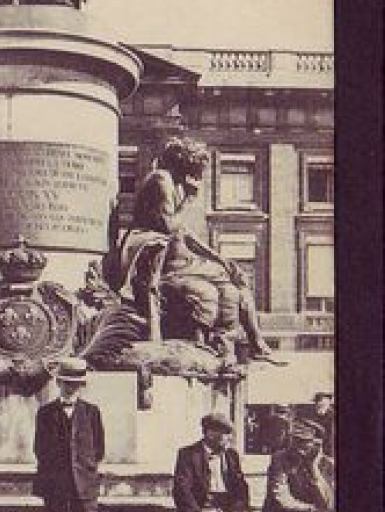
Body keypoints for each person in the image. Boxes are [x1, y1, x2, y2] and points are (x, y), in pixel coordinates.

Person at [110, 137, 284, 365]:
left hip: (184, 262)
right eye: (198, 168)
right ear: (185, 164)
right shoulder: (160, 180)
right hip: (164, 265)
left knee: (235, 287)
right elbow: (170, 227)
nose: (200, 175)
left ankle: (237, 345)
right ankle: (204, 345)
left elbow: (184, 233)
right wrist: (189, 200)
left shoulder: (175, 184)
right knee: (208, 292)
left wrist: (220, 258)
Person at [33, 357, 132, 512]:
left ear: (82, 386)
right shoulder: (45, 414)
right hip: (55, 486)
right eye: (66, 383)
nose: (71, 388)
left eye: (76, 384)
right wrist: (58, 474)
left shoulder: (91, 412)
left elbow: (97, 449)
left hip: (84, 487)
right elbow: (39, 450)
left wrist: (83, 472)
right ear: (58, 382)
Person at [311, 391, 335, 458]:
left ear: (327, 404)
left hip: (329, 450)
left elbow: (330, 437)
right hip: (320, 446)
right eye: (316, 405)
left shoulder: (332, 417)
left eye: (320, 406)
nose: (317, 408)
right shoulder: (319, 416)